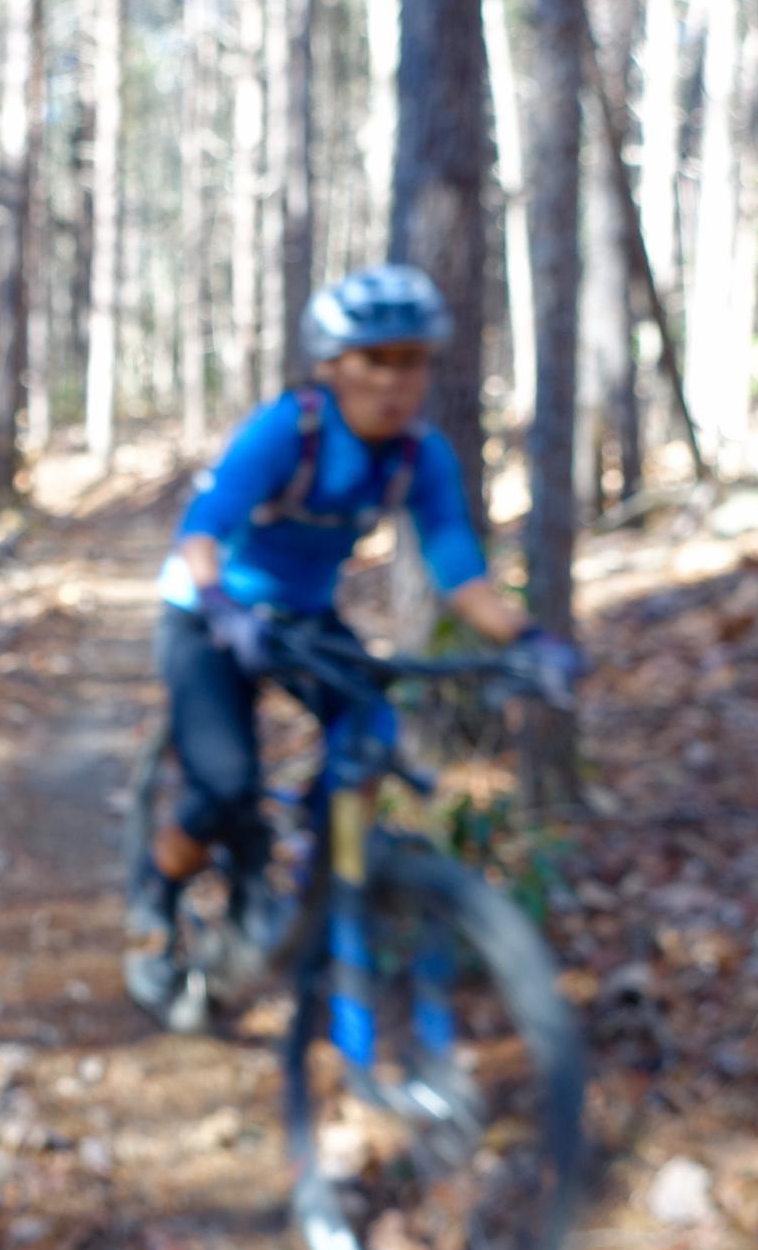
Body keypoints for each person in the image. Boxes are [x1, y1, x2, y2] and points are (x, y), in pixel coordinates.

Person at [126, 263, 581, 1022]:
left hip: (302, 617)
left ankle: (320, 884)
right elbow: (201, 530)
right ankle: (152, 905)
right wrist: (220, 606)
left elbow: (460, 573)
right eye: (377, 360)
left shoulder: (419, 455)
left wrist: (530, 638)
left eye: (413, 361)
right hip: (209, 615)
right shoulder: (291, 430)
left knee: (370, 731)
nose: (396, 382)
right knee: (225, 788)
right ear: (334, 367)